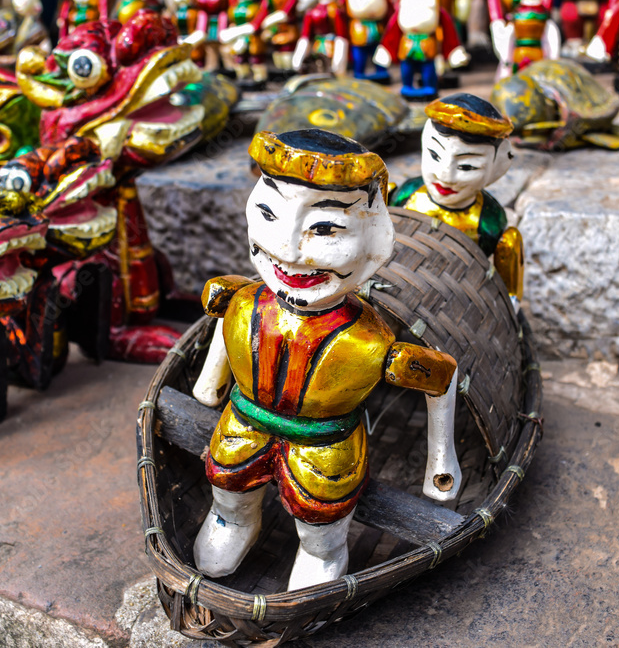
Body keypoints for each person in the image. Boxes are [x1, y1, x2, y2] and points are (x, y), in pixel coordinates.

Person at [191, 129, 461, 590]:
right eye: (269, 214)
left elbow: (438, 375)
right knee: (228, 490)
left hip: (324, 447)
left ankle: (323, 553)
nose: (288, 250)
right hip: (244, 424)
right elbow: (226, 321)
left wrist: (442, 458)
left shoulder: (368, 339)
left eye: (325, 229)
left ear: (374, 234)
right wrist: (210, 380)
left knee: (321, 523)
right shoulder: (242, 300)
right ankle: (235, 521)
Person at [390, 93, 524, 301]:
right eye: (435, 155)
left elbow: (508, 295)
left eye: (467, 166)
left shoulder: (488, 222)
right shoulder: (407, 195)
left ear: (498, 166)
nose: (445, 176)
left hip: (458, 303)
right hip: (398, 288)